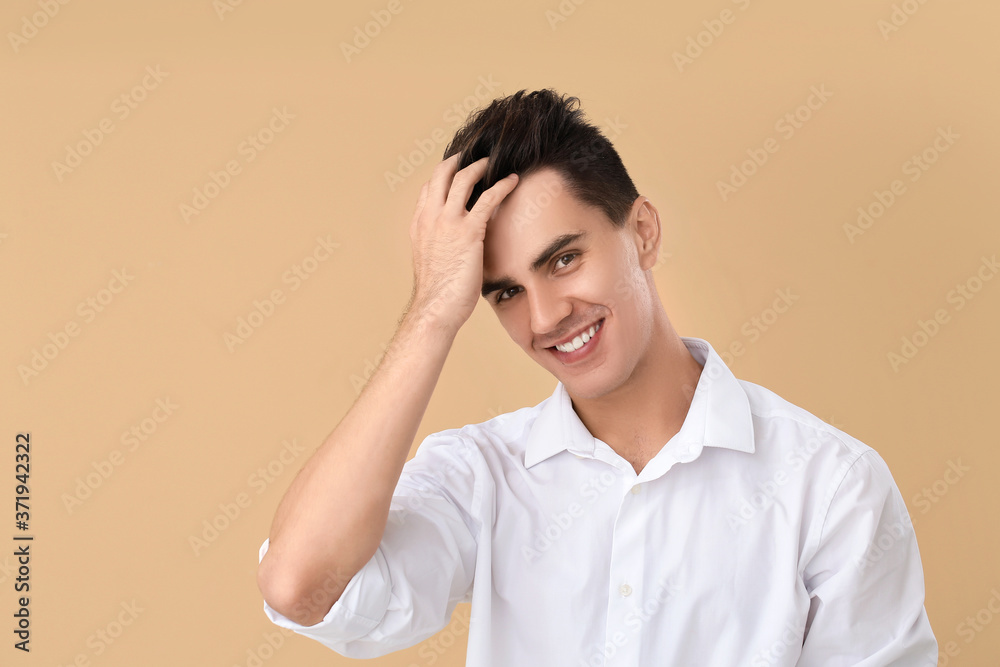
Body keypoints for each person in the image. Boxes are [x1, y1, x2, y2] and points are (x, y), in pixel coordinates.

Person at [256, 88, 938, 665]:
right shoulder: (481, 477)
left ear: (642, 231)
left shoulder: (830, 485)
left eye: (563, 259)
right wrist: (434, 310)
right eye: (504, 293)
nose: (547, 315)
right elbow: (299, 584)